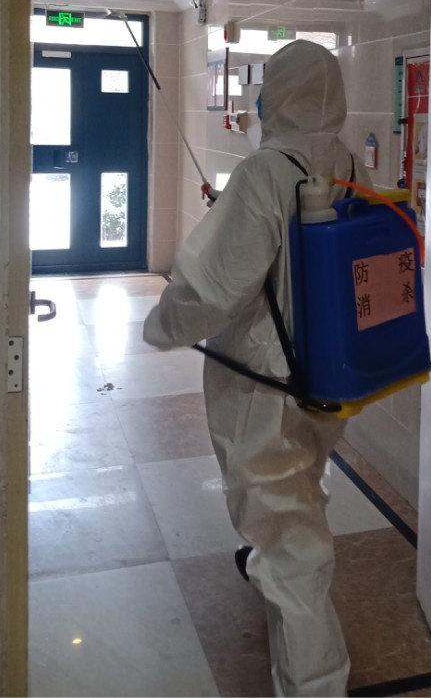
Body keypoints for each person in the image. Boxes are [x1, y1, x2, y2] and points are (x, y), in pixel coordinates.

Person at [143, 39, 371, 697]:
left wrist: (163, 324)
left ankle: (316, 683)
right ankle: (269, 557)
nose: (261, 98)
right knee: (300, 486)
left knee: (288, 543)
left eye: (268, 86)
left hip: (266, 381)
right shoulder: (346, 161)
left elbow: (215, 289)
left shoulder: (267, 171)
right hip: (328, 373)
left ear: (283, 93)